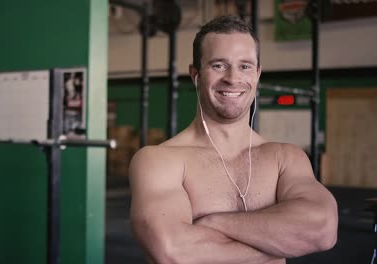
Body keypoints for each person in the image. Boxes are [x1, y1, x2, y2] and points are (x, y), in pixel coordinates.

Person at [129, 15, 338, 264]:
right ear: (195, 74)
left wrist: (213, 222)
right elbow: (173, 251)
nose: (233, 78)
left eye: (245, 66)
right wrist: (282, 243)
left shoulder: (285, 158)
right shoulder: (159, 160)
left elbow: (322, 230)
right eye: (218, 65)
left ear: (257, 74)